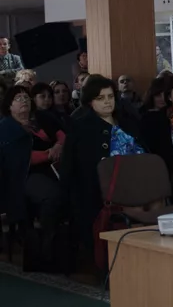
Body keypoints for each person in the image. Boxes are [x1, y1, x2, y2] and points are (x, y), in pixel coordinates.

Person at [61, 75, 144, 251]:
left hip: (136, 185)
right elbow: (70, 169)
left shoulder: (128, 122)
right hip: (98, 195)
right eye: (100, 98)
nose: (107, 102)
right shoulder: (80, 128)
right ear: (90, 101)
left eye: (110, 96)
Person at [0, 86, 66, 266]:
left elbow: (62, 135)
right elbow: (19, 158)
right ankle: (44, 248)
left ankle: (59, 247)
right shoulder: (6, 128)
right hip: (22, 175)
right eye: (18, 98)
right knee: (52, 196)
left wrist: (58, 146)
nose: (24, 101)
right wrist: (48, 154)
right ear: (9, 106)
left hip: (53, 168)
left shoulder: (40, 119)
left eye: (26, 97)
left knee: (73, 190)